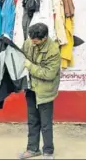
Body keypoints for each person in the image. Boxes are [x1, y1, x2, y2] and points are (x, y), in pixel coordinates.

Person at [19, 23, 61, 159]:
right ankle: (32, 149)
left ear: (44, 38)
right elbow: (21, 56)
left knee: (46, 123)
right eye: (31, 39)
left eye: (35, 40)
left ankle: (48, 152)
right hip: (31, 88)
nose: (32, 42)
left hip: (45, 91)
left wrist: (30, 66)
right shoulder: (29, 42)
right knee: (32, 120)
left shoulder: (53, 50)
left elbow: (49, 75)